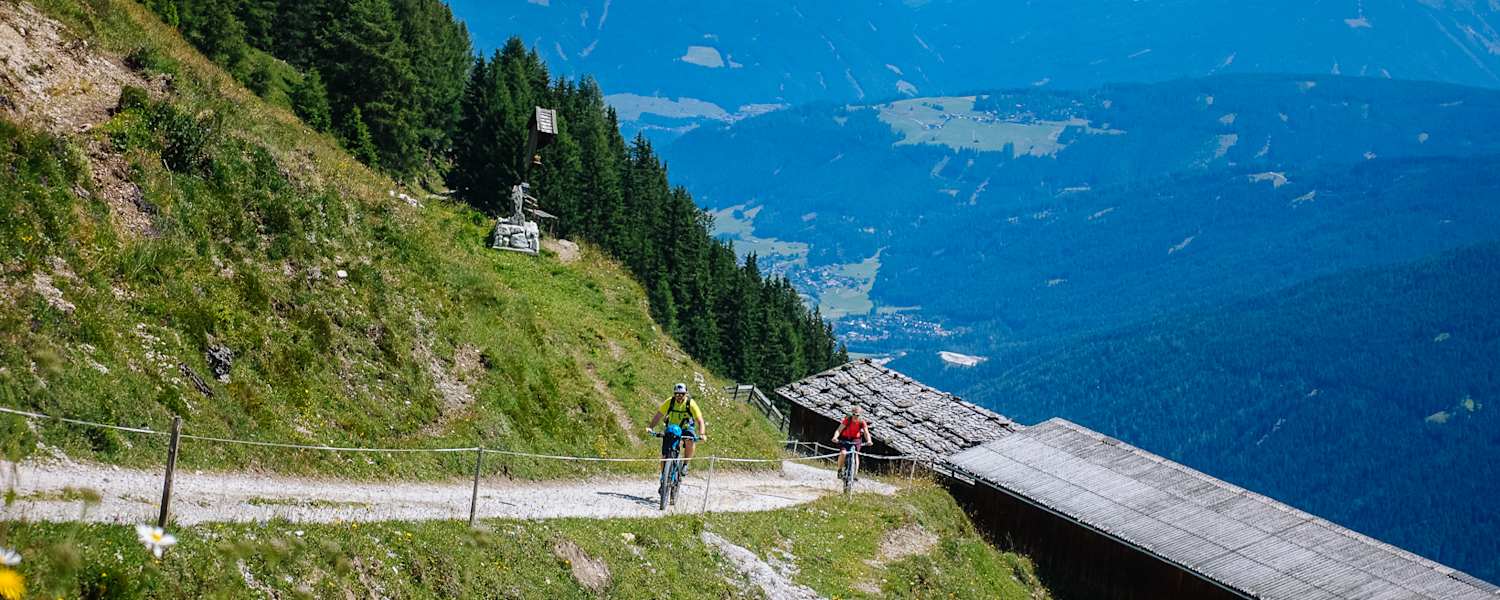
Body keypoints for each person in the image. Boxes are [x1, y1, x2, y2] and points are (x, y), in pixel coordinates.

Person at [648, 383, 707, 477]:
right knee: (664, 455)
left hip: (686, 428)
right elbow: (658, 415)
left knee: (690, 440)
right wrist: (650, 427)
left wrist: (702, 434)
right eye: (677, 394)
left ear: (686, 394)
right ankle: (663, 478)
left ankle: (685, 464)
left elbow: (700, 420)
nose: (679, 396)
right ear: (674, 394)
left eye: (682, 394)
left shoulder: (690, 403)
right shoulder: (670, 402)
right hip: (672, 428)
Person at [832, 405, 873, 478]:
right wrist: (835, 437)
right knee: (843, 453)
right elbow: (839, 430)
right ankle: (839, 470)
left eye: (857, 415)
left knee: (856, 455)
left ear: (860, 415)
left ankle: (854, 475)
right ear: (851, 413)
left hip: (856, 439)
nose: (855, 416)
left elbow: (866, 432)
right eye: (854, 414)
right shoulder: (847, 420)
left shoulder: (862, 422)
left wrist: (869, 440)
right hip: (845, 438)